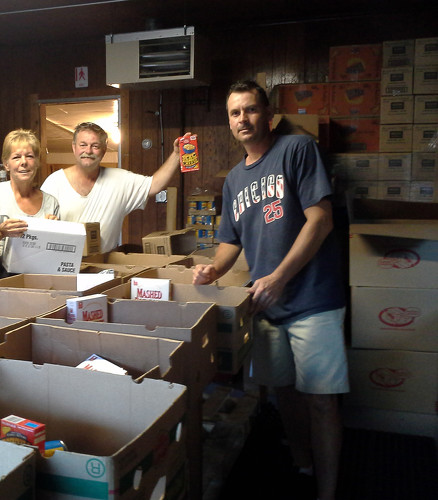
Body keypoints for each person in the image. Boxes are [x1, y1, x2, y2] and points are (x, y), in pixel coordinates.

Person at [192, 81, 349, 500]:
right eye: (234, 113)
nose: (242, 119)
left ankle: (328, 492)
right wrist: (214, 268)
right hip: (266, 305)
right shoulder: (233, 181)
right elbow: (231, 242)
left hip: (313, 299)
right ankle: (303, 466)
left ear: (268, 113)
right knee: (285, 394)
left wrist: (279, 277)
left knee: (321, 400)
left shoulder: (297, 150)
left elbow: (321, 220)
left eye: (249, 110)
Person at [41, 122, 189, 253]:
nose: (88, 150)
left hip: (104, 266)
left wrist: (177, 155)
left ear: (104, 150)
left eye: (95, 146)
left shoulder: (120, 180)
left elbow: (154, 184)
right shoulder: (54, 182)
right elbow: (39, 225)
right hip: (63, 266)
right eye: (83, 145)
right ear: (74, 148)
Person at [0, 129, 59, 277]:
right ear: (6, 164)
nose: (24, 162)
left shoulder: (51, 203)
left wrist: (56, 233)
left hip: (39, 278)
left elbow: (56, 253)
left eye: (30, 156)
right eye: (16, 157)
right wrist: (1, 232)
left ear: (37, 162)